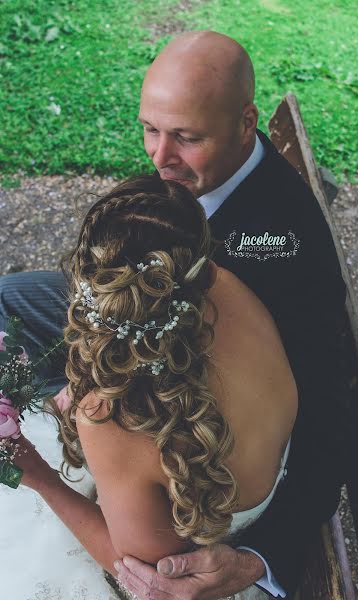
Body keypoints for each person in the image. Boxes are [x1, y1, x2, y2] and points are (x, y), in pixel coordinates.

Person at [0, 31, 348, 599]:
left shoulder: (273, 259)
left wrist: (259, 559)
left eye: (186, 138)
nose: (159, 159)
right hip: (143, 319)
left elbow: (326, 416)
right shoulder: (222, 273)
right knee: (7, 298)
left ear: (245, 122)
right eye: (150, 129)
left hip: (187, 440)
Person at [4, 174, 298, 600]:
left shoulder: (112, 419)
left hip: (202, 568)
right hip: (268, 485)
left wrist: (39, 477)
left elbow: (148, 578)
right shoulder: (227, 287)